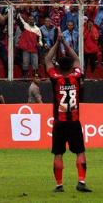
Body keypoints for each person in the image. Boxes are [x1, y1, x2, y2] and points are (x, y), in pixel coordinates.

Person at [44, 32, 91, 193]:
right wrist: (65, 42)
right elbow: (77, 58)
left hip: (59, 123)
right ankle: (81, 182)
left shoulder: (56, 78)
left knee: (58, 154)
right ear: (71, 67)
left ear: (58, 67)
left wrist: (56, 43)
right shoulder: (76, 76)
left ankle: (59, 185)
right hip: (74, 121)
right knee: (80, 151)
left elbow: (47, 60)